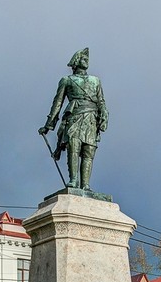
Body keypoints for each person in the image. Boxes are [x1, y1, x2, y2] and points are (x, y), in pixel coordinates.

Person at [39, 48, 109, 191]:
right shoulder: (67, 80)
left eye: (87, 59)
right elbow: (58, 103)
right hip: (74, 117)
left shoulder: (95, 80)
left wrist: (104, 115)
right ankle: (73, 180)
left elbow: (101, 101)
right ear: (76, 61)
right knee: (74, 147)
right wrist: (48, 125)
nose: (86, 61)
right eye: (83, 58)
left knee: (89, 150)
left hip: (91, 118)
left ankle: (85, 185)